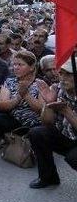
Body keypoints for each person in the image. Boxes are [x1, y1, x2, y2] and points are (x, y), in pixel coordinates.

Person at [28, 59, 77, 188]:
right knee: (37, 133)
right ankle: (48, 177)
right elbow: (46, 122)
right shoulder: (58, 88)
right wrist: (48, 103)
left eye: (69, 74)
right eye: (61, 74)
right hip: (66, 134)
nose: (63, 78)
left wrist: (66, 111)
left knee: (74, 157)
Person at [0, 50, 44, 145]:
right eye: (14, 64)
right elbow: (2, 105)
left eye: (20, 65)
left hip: (34, 122)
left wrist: (26, 95)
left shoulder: (40, 84)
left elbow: (40, 109)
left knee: (38, 131)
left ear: (31, 67)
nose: (16, 67)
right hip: (15, 119)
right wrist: (18, 97)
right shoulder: (10, 82)